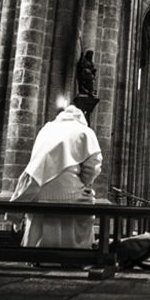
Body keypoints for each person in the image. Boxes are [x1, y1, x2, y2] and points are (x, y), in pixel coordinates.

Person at [10, 104, 102, 248]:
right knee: (87, 200)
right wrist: (85, 183)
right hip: (69, 193)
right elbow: (93, 167)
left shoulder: (46, 129)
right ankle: (74, 256)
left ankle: (37, 256)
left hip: (38, 190)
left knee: (43, 204)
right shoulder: (86, 132)